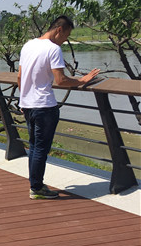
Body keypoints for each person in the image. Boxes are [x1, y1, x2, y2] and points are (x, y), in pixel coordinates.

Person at [17, 16, 101, 200]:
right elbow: (61, 80)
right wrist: (82, 80)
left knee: (34, 147)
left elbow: (20, 77)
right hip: (45, 107)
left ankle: (35, 184)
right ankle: (36, 188)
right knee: (41, 149)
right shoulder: (53, 49)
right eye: (66, 36)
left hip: (28, 105)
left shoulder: (28, 45)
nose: (65, 40)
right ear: (59, 30)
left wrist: (23, 101)